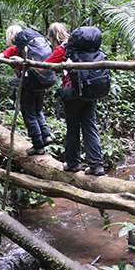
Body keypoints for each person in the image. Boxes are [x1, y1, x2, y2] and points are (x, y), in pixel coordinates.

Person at [58, 25, 108, 176]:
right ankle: (96, 165)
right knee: (90, 126)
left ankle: (73, 163)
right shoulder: (97, 53)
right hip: (90, 94)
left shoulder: (69, 52)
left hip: (73, 94)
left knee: (73, 128)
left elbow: (49, 63)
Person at [2, 24, 55, 156]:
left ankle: (38, 145)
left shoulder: (15, 48)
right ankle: (46, 135)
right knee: (37, 110)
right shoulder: (34, 45)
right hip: (41, 80)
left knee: (29, 114)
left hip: (29, 83)